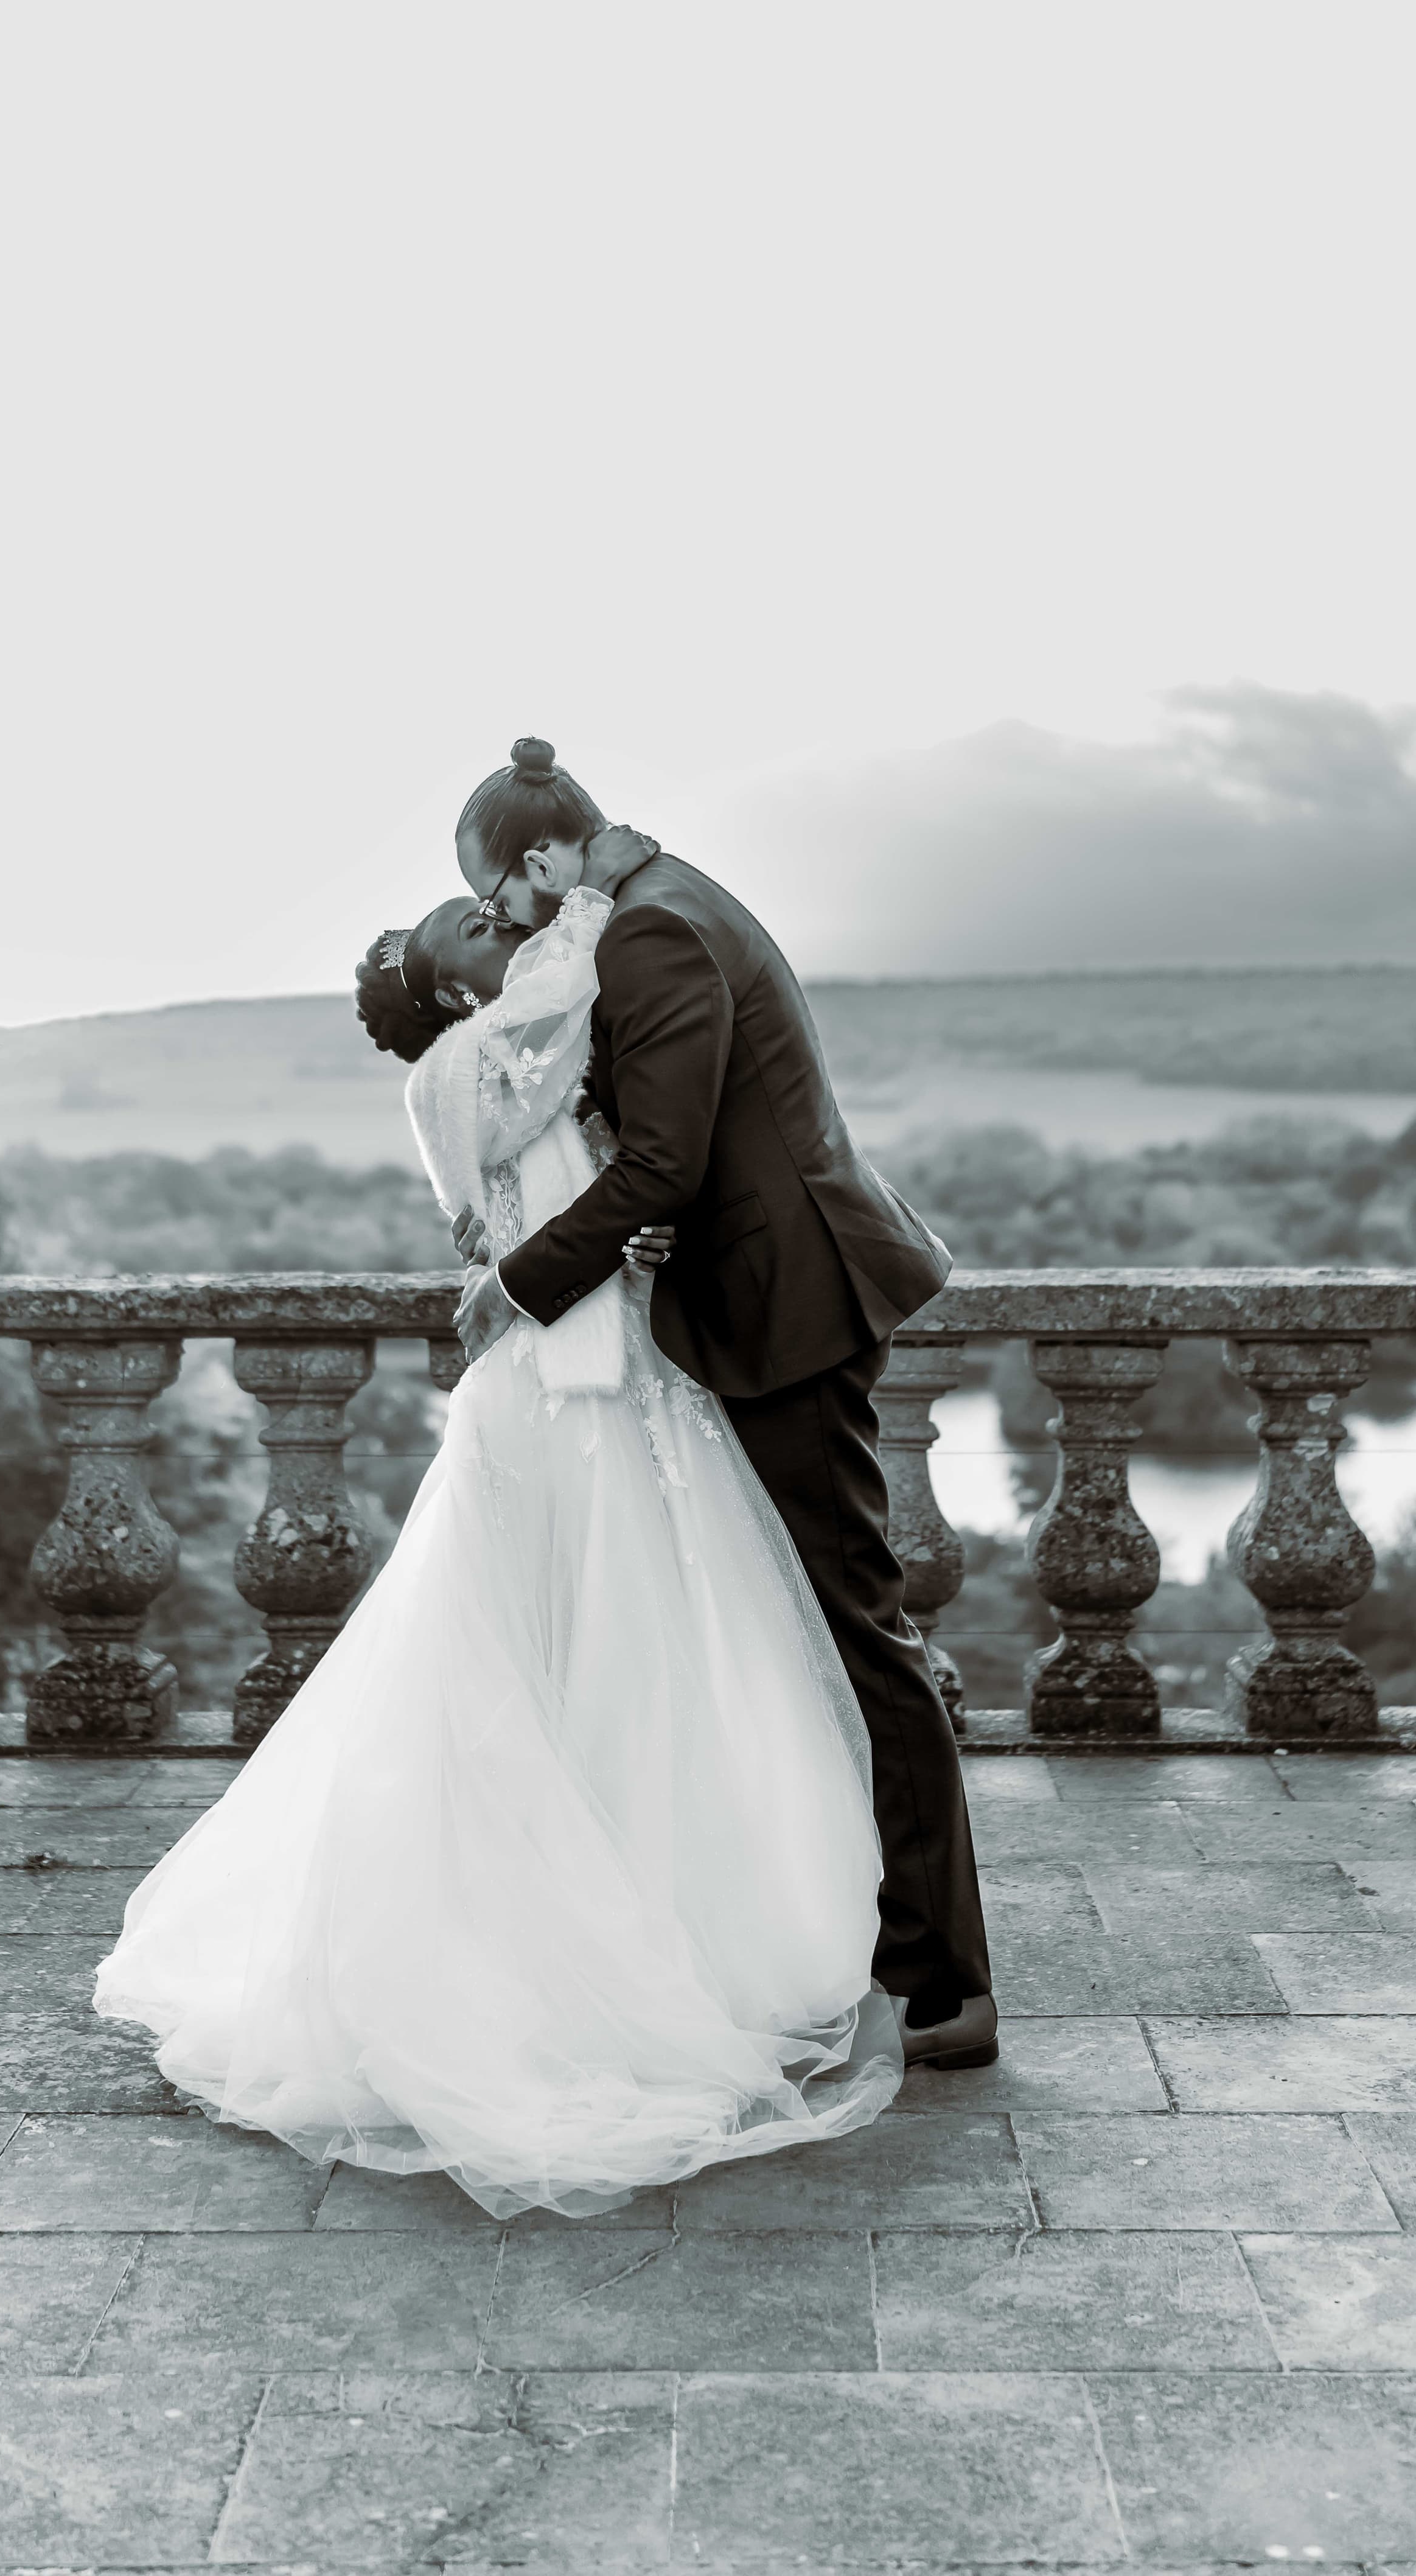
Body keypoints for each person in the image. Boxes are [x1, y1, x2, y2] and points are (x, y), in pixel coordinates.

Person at [91, 840, 903, 2219]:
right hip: (550, 1398)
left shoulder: (528, 1052)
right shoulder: (462, 1069)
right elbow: (569, 1025)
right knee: (535, 1656)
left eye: (482, 908)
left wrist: (633, 1218)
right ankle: (540, 1959)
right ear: (448, 992)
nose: (485, 920)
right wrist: (589, 891)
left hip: (634, 1379)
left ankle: (661, 1920)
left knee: (641, 1664)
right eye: (460, 926)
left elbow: (611, 1143)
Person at [454, 737, 994, 2069]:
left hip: (789, 1315)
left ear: (547, 858)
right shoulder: (673, 899)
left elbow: (665, 1166)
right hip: (768, 1293)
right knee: (819, 1629)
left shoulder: (653, 935)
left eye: (502, 899)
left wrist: (516, 1286)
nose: (505, 928)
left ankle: (948, 1984)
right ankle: (868, 1933)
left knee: (861, 1634)